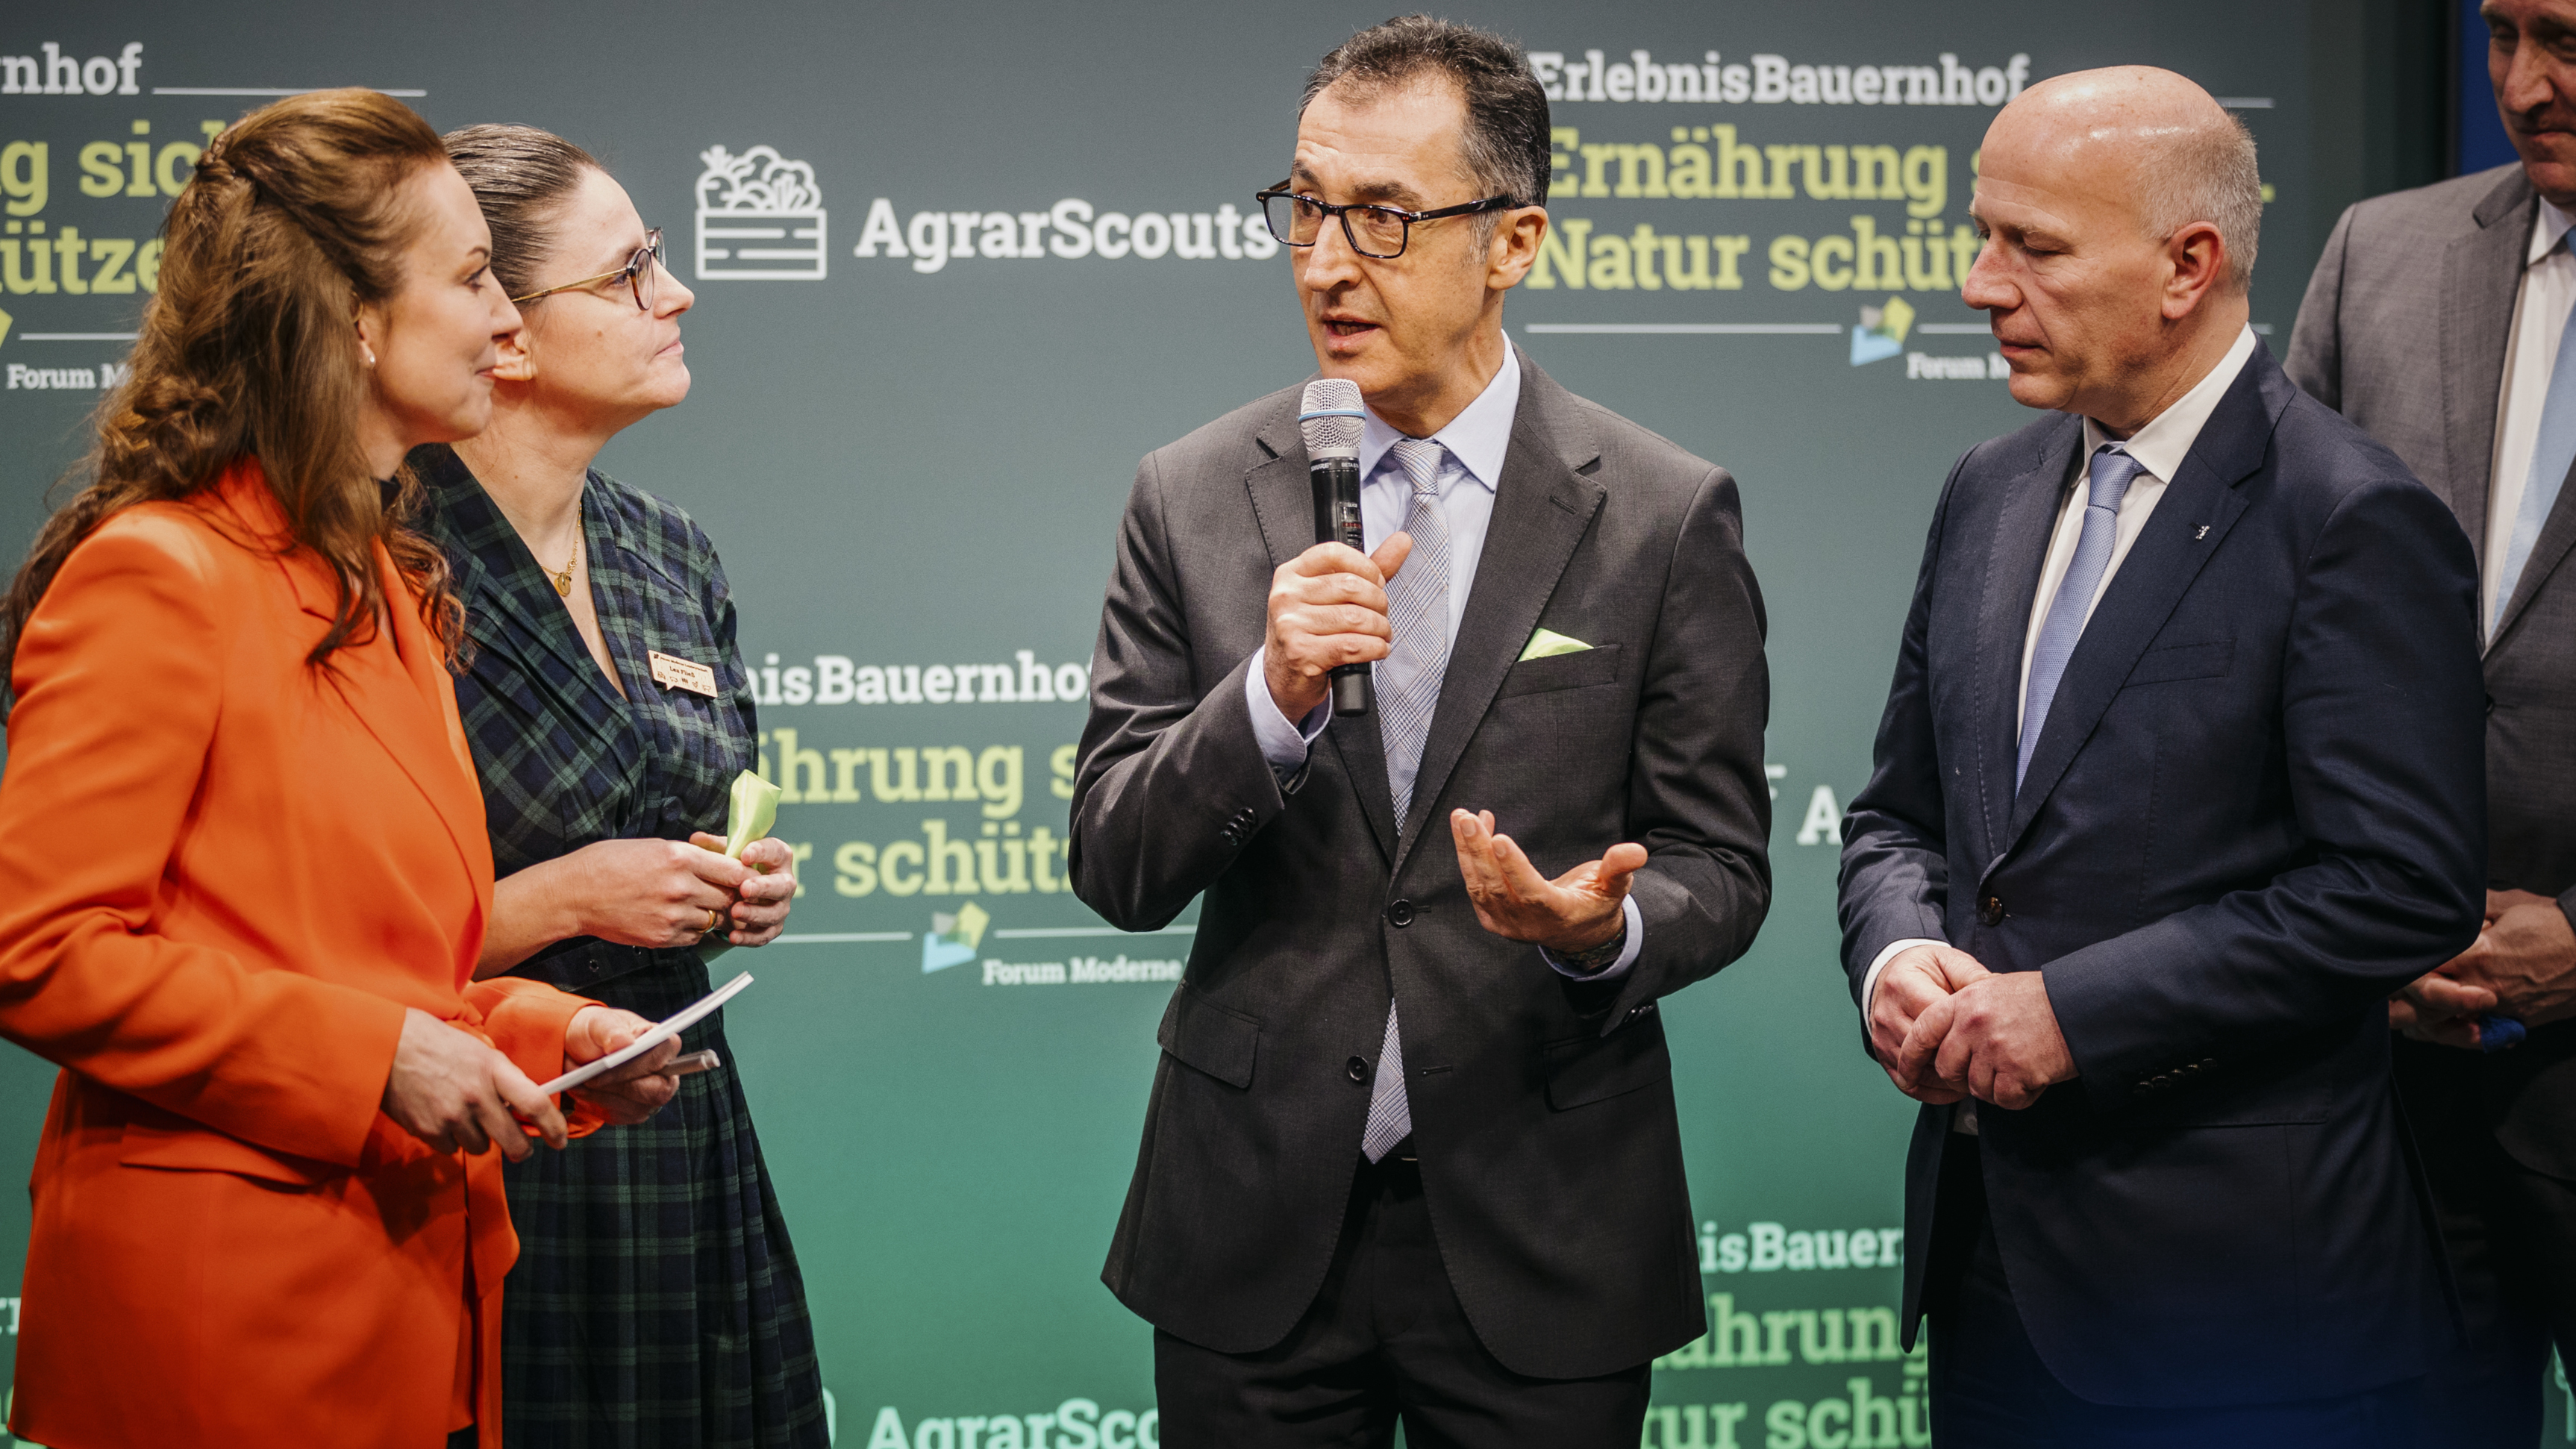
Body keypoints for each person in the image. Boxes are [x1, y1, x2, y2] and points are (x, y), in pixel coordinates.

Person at [1069, 16, 1771, 1446]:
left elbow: (1722, 863)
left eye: (1385, 217)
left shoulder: (1661, 510)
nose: (1328, 261)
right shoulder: (1192, 494)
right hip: (1253, 1228)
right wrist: (1264, 700)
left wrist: (1598, 932)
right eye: (1306, 207)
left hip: (1544, 1223)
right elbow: (1114, 860)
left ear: (1514, 241)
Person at [0, 90, 683, 1449]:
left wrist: (552, 1042)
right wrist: (375, 1058)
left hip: (418, 1306)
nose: (508, 319)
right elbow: (43, 946)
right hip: (224, 1336)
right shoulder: (159, 572)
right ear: (357, 319)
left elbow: (377, 965)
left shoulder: (384, 581)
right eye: (477, 276)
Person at [1836, 67, 2486, 1446]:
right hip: (1990, 1272)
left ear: (2189, 264)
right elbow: (1900, 816)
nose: (1977, 282)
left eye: (2034, 247)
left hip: (2240, 1305)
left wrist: (2076, 1011)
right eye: (1983, 234)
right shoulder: (1988, 490)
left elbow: (2399, 885)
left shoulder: (2350, 517)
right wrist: (1899, 960)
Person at [402, 125, 828, 1448]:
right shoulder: (384, 558)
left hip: (678, 1110)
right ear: (507, 333)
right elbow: (316, 936)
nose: (679, 291)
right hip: (477, 1128)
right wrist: (562, 897)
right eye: (632, 270)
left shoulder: (666, 550)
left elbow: (711, 794)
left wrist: (735, 882)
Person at [2286, 1, 2576, 1439]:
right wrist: (2363, 932)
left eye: (2572, 38)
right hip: (2394, 1086)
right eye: (2501, 34)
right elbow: (2257, 622)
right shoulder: (2379, 253)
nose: (2525, 85)